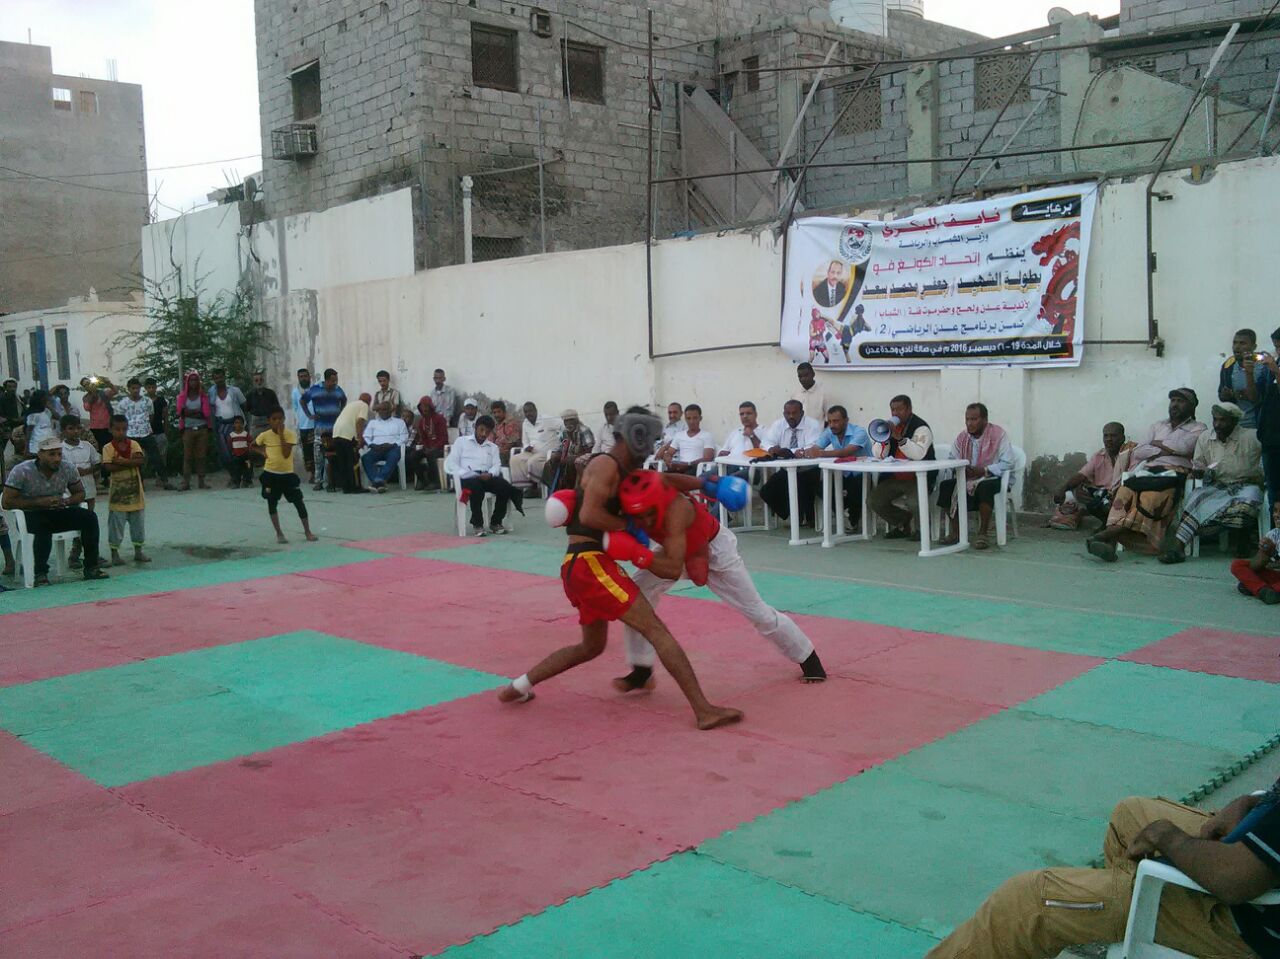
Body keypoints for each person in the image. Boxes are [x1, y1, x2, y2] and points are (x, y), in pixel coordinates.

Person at [497, 407, 742, 730]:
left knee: (591, 647)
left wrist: (706, 484)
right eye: (649, 440)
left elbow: (664, 479)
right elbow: (590, 515)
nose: (650, 449)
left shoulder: (621, 469)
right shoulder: (604, 465)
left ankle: (518, 687)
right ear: (635, 436)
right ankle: (703, 710)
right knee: (656, 630)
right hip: (590, 563)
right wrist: (631, 529)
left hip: (581, 566)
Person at [926, 784, 1280, 959]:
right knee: (1130, 816)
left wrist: (1169, 838)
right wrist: (1253, 803)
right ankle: (1139, 930)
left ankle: (1146, 914)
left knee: (1028, 902)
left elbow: (1236, 880)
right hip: (1259, 865)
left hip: (1250, 922)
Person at [615, 469, 827, 690]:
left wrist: (636, 553)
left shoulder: (678, 511)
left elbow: (684, 572)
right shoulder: (641, 486)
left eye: (649, 513)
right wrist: (706, 484)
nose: (645, 520)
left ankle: (808, 658)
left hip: (714, 550)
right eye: (638, 516)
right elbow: (669, 478)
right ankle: (641, 670)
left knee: (757, 611)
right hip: (674, 546)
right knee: (635, 598)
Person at [1087, 388, 1207, 562]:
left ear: (1192, 406)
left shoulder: (1198, 428)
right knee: (1124, 493)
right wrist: (1167, 448)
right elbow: (1139, 452)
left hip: (1174, 473)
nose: (1175, 404)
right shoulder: (1157, 425)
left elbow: (1185, 448)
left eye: (1180, 401)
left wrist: (1156, 444)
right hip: (1148, 471)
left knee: (1151, 498)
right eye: (1173, 400)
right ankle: (1109, 543)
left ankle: (1106, 536)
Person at [1159, 402, 1264, 564]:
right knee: (1195, 498)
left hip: (1247, 485)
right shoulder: (1206, 437)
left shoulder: (1252, 436)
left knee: (1248, 501)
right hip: (1218, 485)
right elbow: (1199, 464)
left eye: (1223, 421)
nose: (1218, 425)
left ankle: (1242, 541)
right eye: (1216, 420)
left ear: (1235, 421)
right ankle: (1178, 549)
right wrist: (1199, 472)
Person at [2, 436, 109, 584]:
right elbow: (6, 502)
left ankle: (91, 567)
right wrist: (39, 502)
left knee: (89, 517)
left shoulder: (67, 467)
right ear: (40, 454)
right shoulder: (22, 470)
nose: (57, 458)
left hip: (58, 510)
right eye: (51, 454)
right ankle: (40, 573)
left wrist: (67, 501)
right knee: (42, 526)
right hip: (31, 513)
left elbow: (80, 492)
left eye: (59, 454)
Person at [937, 403, 1016, 550]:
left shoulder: (999, 435)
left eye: (974, 419)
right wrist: (960, 469)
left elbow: (1008, 463)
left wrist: (984, 470)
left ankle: (983, 533)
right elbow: (952, 458)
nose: (969, 423)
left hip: (992, 477)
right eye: (967, 419)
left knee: (985, 488)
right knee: (946, 486)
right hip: (968, 477)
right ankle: (957, 533)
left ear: (985, 420)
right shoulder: (962, 437)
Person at [867, 394, 937, 538]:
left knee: (914, 502)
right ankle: (902, 521)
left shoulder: (921, 427)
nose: (895, 413)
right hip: (896, 477)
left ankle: (922, 531)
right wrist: (884, 440)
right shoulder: (889, 427)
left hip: (917, 477)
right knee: (874, 500)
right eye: (893, 410)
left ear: (909, 409)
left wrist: (899, 437)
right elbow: (878, 455)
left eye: (900, 409)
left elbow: (918, 454)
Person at [444, 414, 522, 536]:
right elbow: (453, 463)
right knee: (476, 486)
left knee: (505, 486)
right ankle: (478, 524)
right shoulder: (462, 442)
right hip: (468, 477)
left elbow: (497, 465)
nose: (484, 434)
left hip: (486, 477)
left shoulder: (493, 447)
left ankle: (496, 522)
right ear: (475, 427)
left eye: (487, 431)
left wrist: (490, 473)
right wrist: (467, 473)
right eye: (481, 429)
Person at [1050, 422, 1133, 531]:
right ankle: (1106, 523)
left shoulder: (1131, 454)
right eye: (1106, 436)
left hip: (1122, 493)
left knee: (1108, 499)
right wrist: (1062, 489)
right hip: (1103, 493)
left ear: (1122, 438)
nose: (1109, 439)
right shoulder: (1099, 456)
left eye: (1113, 436)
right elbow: (1082, 475)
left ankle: (1112, 527)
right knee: (1076, 490)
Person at [255, 406, 318, 544]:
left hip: (287, 475)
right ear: (269, 421)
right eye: (274, 419)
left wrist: (281, 434)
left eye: (280, 418)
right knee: (272, 503)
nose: (278, 421)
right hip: (270, 474)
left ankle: (308, 531)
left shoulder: (289, 434)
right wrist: (263, 453)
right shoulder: (264, 435)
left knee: (298, 502)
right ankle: (279, 533)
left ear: (284, 419)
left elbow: (286, 454)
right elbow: (253, 445)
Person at [801, 404, 872, 528]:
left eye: (836, 421)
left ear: (846, 420)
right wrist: (806, 451)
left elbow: (846, 452)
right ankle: (842, 513)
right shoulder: (829, 432)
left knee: (856, 489)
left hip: (865, 474)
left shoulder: (859, 432)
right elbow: (816, 448)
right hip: (843, 473)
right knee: (821, 487)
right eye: (830, 421)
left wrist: (820, 453)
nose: (832, 425)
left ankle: (851, 518)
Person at [758, 399, 824, 527]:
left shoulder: (812, 424)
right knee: (766, 492)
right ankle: (792, 514)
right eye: (788, 413)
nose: (791, 416)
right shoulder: (779, 424)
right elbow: (765, 442)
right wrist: (771, 449)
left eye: (794, 413)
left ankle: (803, 518)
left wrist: (787, 452)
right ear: (784, 414)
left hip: (809, 469)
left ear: (802, 413)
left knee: (799, 486)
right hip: (787, 469)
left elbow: (812, 446)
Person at [101, 414, 149, 566]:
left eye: (124, 429)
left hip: (136, 494)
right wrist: (130, 463)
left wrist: (121, 461)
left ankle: (138, 551)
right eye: (117, 429)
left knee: (138, 526)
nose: (121, 432)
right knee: (116, 527)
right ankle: (115, 554)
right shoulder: (107, 448)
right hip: (117, 495)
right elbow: (108, 467)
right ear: (111, 430)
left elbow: (140, 461)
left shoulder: (133, 444)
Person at [115, 378, 171, 490]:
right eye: (133, 388)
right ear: (129, 389)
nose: (135, 390)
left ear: (140, 388)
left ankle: (165, 481)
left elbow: (151, 416)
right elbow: (119, 420)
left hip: (146, 433)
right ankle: (140, 483)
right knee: (136, 459)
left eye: (137, 388)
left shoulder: (147, 401)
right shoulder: (123, 403)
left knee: (156, 457)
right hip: (131, 435)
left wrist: (144, 426)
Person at [59, 415, 100, 569]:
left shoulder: (87, 446)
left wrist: (87, 470)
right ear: (64, 431)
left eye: (77, 428)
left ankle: (91, 553)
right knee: (77, 524)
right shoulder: (61, 450)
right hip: (70, 494)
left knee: (89, 523)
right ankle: (75, 554)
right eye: (70, 428)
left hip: (88, 490)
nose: (75, 431)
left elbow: (97, 464)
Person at [302, 368, 346, 491]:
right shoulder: (315, 389)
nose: (335, 383)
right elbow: (303, 401)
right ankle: (318, 481)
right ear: (326, 380)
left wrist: (340, 413)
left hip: (333, 430)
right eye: (332, 380)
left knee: (330, 458)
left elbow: (344, 400)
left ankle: (328, 482)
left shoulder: (338, 390)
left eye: (336, 380)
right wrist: (309, 415)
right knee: (318, 457)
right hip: (320, 430)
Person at [1233, 500, 1280, 604]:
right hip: (1275, 574)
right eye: (1275, 511)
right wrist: (1263, 553)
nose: (1277, 515)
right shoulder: (1272, 535)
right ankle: (1263, 591)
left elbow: (1274, 562)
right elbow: (1255, 566)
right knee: (1237, 565)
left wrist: (1273, 555)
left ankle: (1259, 588)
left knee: (1246, 584)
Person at [1219, 328, 1266, 429]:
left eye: (1242, 343)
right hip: (1235, 427)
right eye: (1235, 343)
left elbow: (1259, 398)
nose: (1237, 347)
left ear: (1254, 346)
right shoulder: (1228, 366)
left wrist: (1240, 393)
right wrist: (1225, 395)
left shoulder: (1263, 366)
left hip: (1258, 426)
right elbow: (1222, 396)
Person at [509, 402, 560, 493]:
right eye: (526, 412)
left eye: (530, 411)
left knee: (532, 461)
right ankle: (521, 488)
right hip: (532, 452)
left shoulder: (547, 419)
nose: (528, 414)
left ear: (536, 410)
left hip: (547, 452)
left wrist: (561, 442)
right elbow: (525, 441)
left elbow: (562, 426)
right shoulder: (525, 423)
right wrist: (526, 447)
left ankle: (534, 488)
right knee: (515, 459)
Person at [1256, 334, 1280, 524]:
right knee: (1273, 489)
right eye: (1276, 347)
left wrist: (1276, 371)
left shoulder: (1276, 368)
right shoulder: (1272, 368)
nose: (1277, 352)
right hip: (1271, 438)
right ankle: (1274, 537)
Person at [361, 401, 409, 492]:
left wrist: (393, 444)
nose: (383, 412)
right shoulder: (373, 423)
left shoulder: (399, 422)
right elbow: (366, 436)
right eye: (380, 410)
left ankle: (378, 480)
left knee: (394, 456)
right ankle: (378, 482)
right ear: (378, 411)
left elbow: (404, 437)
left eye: (385, 409)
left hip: (392, 448)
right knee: (365, 458)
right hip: (377, 448)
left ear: (391, 410)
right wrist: (372, 445)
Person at [176, 371, 212, 491]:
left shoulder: (203, 396)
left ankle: (201, 481)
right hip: (188, 429)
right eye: (191, 380)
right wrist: (196, 412)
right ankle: (186, 482)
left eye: (195, 380)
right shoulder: (182, 396)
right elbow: (180, 412)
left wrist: (189, 413)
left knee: (201, 456)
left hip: (202, 429)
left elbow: (206, 413)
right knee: (187, 456)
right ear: (187, 382)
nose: (193, 382)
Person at [543, 409, 595, 492]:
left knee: (570, 462)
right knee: (550, 463)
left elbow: (589, 450)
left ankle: (571, 490)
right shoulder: (565, 432)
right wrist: (556, 455)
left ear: (576, 420)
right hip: (569, 456)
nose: (569, 423)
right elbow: (561, 448)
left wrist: (573, 457)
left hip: (584, 457)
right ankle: (555, 488)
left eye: (571, 420)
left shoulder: (584, 430)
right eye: (566, 421)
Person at [331, 391, 371, 494]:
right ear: (368, 401)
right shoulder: (364, 405)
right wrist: (360, 438)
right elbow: (359, 422)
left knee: (342, 461)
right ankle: (354, 486)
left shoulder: (351, 405)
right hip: (347, 435)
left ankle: (346, 487)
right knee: (352, 461)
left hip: (336, 432)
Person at [657, 403, 714, 474]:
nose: (691, 421)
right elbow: (669, 453)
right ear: (685, 419)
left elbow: (708, 458)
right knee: (660, 477)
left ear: (700, 418)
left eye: (695, 418)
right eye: (688, 418)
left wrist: (687, 464)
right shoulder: (679, 435)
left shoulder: (707, 435)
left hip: (696, 469)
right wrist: (668, 461)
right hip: (680, 469)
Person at [208, 369, 247, 472]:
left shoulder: (235, 390)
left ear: (224, 377)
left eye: (220, 377)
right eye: (216, 378)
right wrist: (212, 426)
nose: (219, 380)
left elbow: (244, 406)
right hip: (221, 425)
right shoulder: (211, 392)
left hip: (235, 425)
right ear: (213, 380)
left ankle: (243, 475)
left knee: (238, 450)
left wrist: (245, 423)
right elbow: (211, 408)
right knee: (225, 452)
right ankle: (233, 475)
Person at [408, 395, 448, 490]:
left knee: (431, 454)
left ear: (431, 407)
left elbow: (444, 438)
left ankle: (435, 481)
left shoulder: (439, 418)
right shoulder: (422, 421)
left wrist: (434, 448)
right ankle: (423, 480)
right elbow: (424, 438)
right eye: (422, 406)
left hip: (440, 448)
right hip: (429, 448)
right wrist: (426, 447)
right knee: (413, 455)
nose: (424, 409)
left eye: (426, 406)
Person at [80, 376, 116, 461]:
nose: (88, 385)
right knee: (100, 449)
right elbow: (87, 408)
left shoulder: (103, 393)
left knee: (110, 447)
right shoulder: (86, 397)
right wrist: (92, 394)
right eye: (85, 385)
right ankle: (103, 468)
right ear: (84, 387)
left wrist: (108, 383)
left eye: (89, 382)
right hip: (96, 427)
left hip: (108, 426)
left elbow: (115, 391)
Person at [290, 369, 315, 483]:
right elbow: (296, 408)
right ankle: (311, 474)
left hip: (316, 425)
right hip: (303, 426)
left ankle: (321, 473)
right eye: (301, 376)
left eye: (305, 376)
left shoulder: (315, 390)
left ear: (309, 377)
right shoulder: (295, 392)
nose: (303, 378)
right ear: (298, 378)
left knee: (318, 450)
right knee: (307, 451)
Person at [143, 379, 170, 481]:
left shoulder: (161, 400)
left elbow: (165, 417)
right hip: (146, 433)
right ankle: (141, 478)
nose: (151, 389)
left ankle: (161, 478)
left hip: (159, 431)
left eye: (153, 387)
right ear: (145, 388)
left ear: (156, 387)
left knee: (162, 456)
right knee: (144, 457)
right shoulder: (143, 401)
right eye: (149, 387)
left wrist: (166, 432)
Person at [243, 371, 279, 437]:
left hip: (269, 422)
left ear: (263, 381)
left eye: (261, 380)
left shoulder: (271, 393)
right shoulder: (250, 395)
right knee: (255, 444)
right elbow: (247, 410)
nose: (259, 382)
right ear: (253, 382)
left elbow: (277, 408)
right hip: (256, 424)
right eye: (256, 380)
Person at [24, 389, 58, 455]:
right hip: (36, 446)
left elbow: (58, 417)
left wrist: (50, 407)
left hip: (48, 444)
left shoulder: (47, 411)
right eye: (44, 399)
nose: (46, 400)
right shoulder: (33, 414)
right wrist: (27, 448)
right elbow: (29, 432)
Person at [491, 400, 523, 466]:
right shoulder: (495, 425)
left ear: (504, 412)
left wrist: (496, 451)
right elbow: (490, 441)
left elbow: (512, 442)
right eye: (494, 412)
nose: (496, 415)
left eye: (499, 412)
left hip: (509, 452)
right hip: (497, 452)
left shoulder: (512, 423)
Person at [226, 415, 254, 488]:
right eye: (236, 423)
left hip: (246, 456)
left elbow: (250, 443)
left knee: (248, 467)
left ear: (243, 424)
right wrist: (232, 453)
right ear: (233, 424)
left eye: (240, 423)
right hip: (236, 456)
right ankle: (236, 483)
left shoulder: (246, 434)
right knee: (236, 469)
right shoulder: (231, 435)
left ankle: (248, 481)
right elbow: (229, 446)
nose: (238, 425)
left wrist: (249, 451)